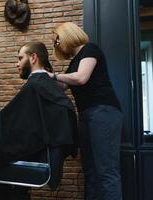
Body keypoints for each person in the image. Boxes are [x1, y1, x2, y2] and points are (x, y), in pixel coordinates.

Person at [49, 22, 123, 200]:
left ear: (68, 34)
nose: (57, 44)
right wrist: (42, 76)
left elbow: (81, 78)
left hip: (103, 112)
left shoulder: (90, 49)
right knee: (90, 172)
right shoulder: (74, 62)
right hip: (86, 115)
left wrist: (54, 76)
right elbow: (62, 86)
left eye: (58, 39)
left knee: (107, 172)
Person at [0, 41, 78, 200]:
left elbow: (13, 124)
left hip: (28, 156)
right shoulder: (46, 86)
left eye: (20, 58)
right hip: (37, 154)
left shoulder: (34, 86)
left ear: (33, 58)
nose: (17, 63)